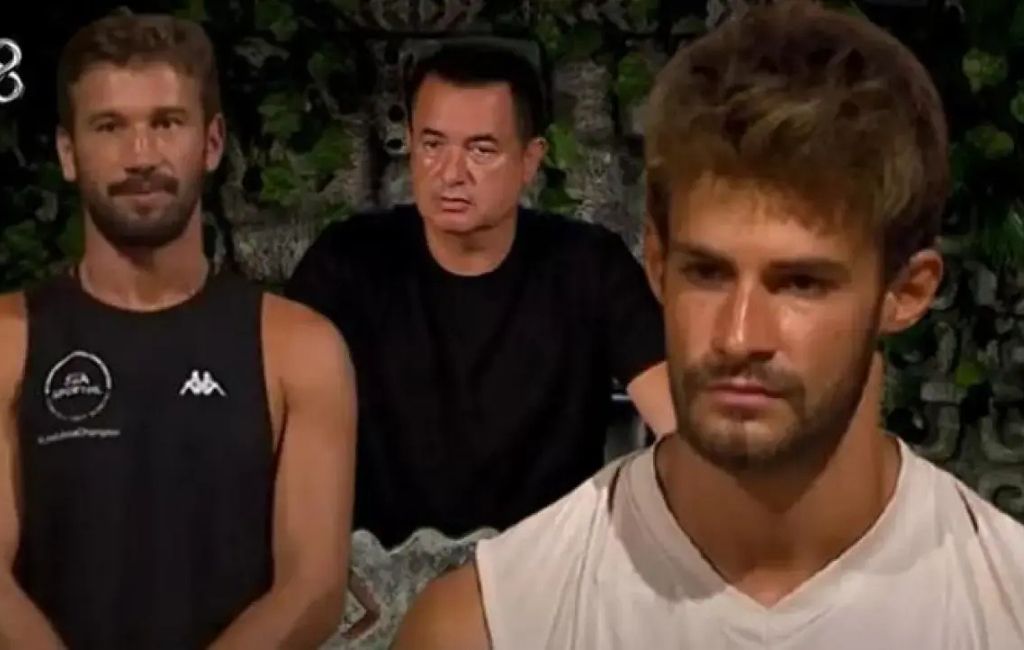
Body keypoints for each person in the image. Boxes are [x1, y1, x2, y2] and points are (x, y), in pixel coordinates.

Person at [392, 2, 1024, 648]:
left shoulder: (1006, 609)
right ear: (658, 265)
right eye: (708, 273)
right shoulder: (486, 627)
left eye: (801, 283)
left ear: (906, 293)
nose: (739, 336)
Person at [0, 14, 356, 649]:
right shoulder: (8, 341)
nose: (140, 156)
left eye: (166, 123)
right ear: (68, 153)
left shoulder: (300, 350)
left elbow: (312, 587)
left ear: (212, 142)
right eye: (109, 127)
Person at [285, 41, 676, 549]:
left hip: (548, 565)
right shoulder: (350, 262)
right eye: (432, 145)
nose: (450, 174)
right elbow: (269, 418)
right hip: (376, 568)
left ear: (530, 160)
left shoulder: (586, 266)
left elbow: (679, 424)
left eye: (481, 150)